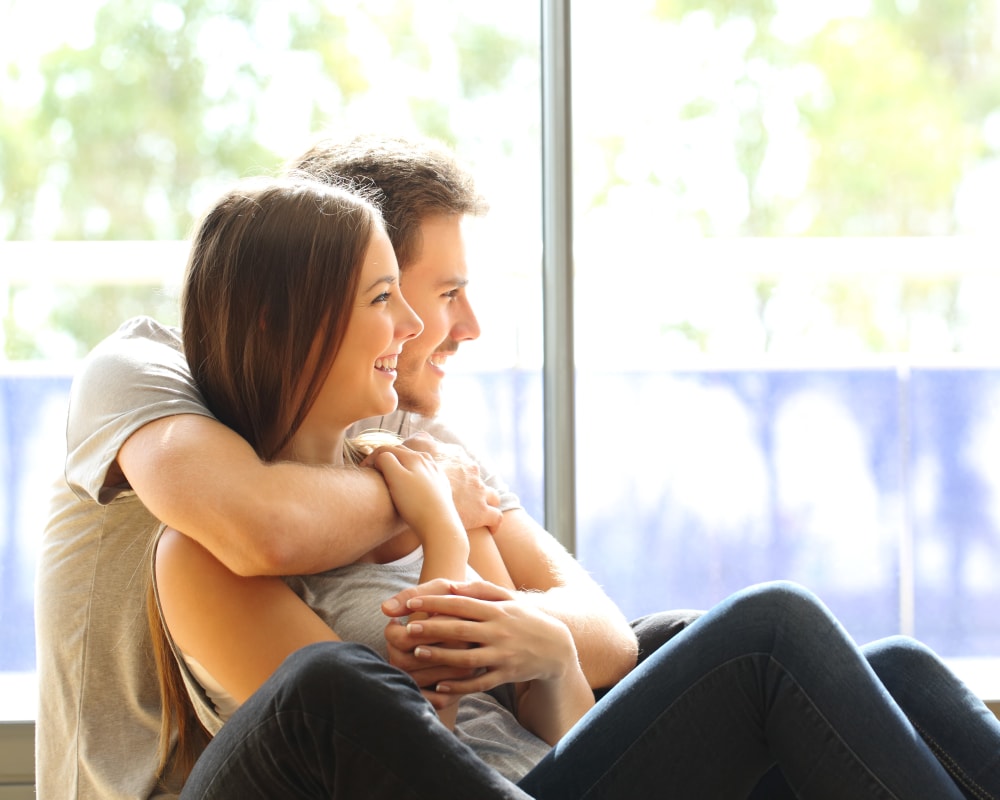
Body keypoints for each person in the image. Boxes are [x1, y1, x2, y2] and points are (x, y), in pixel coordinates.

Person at [153, 174, 1000, 800]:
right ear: (277, 324)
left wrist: (551, 650)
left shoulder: (409, 469)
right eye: (384, 299)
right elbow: (388, 757)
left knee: (903, 672)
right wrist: (444, 536)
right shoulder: (203, 561)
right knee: (770, 632)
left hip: (549, 772)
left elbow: (540, 713)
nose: (414, 327)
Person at [35, 133, 649, 800]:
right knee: (329, 684)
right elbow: (264, 531)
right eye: (412, 294)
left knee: (712, 633)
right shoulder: (144, 379)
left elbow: (592, 650)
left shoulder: (411, 447)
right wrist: (434, 513)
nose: (433, 324)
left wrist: (550, 650)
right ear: (308, 295)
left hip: (493, 769)